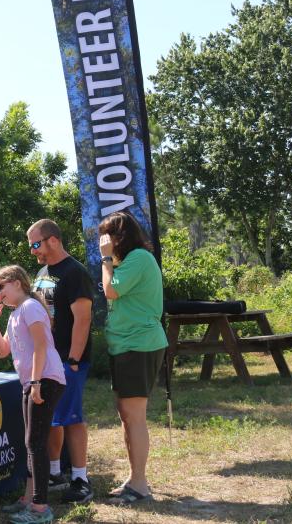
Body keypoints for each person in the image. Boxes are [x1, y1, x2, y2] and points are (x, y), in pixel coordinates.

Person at [98, 211, 168, 505]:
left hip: (139, 345)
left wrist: (104, 259)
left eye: (108, 235)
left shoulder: (138, 257)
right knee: (126, 415)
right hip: (126, 346)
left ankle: (140, 484)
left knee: (134, 416)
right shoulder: (128, 262)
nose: (104, 241)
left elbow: (110, 291)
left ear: (120, 237)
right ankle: (134, 477)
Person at [0, 265, 65, 524]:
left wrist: (35, 382)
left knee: (36, 443)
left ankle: (40, 508)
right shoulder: (14, 315)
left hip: (44, 379)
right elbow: (2, 351)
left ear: (17, 283)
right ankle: (29, 498)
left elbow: (41, 345)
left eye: (1, 286)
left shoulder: (30, 307)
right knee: (31, 442)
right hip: (32, 382)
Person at [26, 218, 95, 504]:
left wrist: (74, 358)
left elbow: (83, 318)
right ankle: (54, 472)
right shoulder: (42, 272)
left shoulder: (74, 272)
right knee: (51, 418)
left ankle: (81, 479)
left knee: (71, 417)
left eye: (35, 244)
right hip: (47, 360)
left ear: (52, 239)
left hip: (69, 359)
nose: (32, 251)